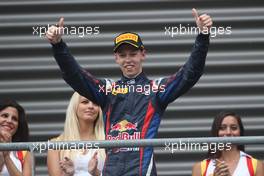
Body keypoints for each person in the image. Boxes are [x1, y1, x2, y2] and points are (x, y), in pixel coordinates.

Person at [46, 8, 212, 176]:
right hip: (111, 171)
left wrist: (203, 36)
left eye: (133, 54)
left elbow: (189, 74)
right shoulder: (108, 90)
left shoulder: (155, 89)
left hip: (142, 171)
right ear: (116, 58)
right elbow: (76, 77)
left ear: (143, 54)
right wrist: (58, 46)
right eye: (123, 55)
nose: (128, 60)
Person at [47, 92, 105, 176]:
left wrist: (96, 173)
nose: (91, 106)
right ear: (74, 107)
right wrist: (68, 174)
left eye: (95, 103)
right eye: (85, 102)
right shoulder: (55, 144)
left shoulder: (108, 142)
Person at [192, 111, 264, 176]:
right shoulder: (199, 168)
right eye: (222, 128)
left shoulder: (256, 166)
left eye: (233, 128)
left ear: (240, 132)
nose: (228, 132)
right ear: (216, 132)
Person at [0, 99, 31, 176]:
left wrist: (7, 157)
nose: (9, 121)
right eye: (5, 116)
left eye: (14, 119)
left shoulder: (24, 152)